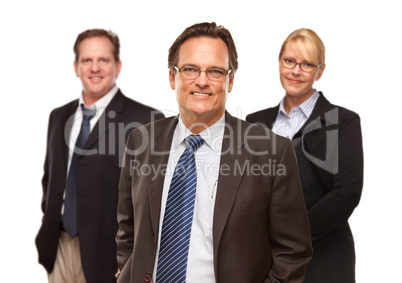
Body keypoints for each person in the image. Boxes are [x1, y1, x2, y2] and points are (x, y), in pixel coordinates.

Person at [115, 22, 312, 283]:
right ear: (173, 77)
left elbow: (292, 253)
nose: (202, 81)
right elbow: (127, 230)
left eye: (216, 71)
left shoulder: (272, 152)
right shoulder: (141, 141)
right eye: (190, 69)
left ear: (230, 81)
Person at [35, 28, 164, 283]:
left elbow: (154, 201)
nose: (95, 68)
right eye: (87, 60)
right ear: (76, 67)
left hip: (109, 256)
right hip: (58, 247)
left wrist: (133, 256)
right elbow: (50, 180)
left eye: (103, 60)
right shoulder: (59, 116)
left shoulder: (146, 121)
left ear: (118, 66)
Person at [246, 28, 364, 282]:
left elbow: (347, 192)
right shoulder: (254, 123)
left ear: (320, 71)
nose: (296, 71)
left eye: (307, 64)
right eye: (289, 61)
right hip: (265, 258)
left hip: (323, 255)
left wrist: (290, 234)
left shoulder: (341, 121)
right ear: (279, 63)